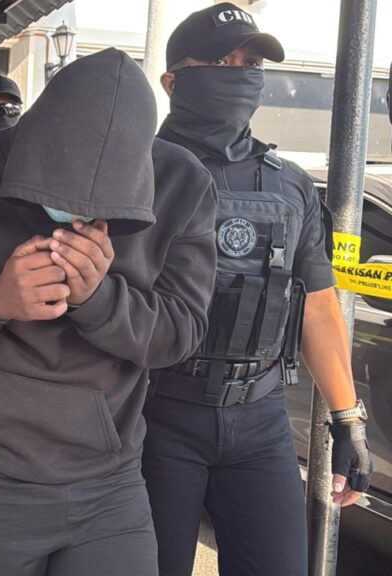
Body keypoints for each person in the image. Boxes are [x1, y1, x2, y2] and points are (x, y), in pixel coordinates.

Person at [0, 48, 218, 576]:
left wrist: (99, 299)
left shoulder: (182, 183)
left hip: (107, 476)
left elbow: (180, 333)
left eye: (101, 212)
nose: (77, 219)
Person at [144, 4, 373, 575]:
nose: (240, 74)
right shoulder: (135, 171)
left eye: (250, 63)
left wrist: (348, 419)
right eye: (221, 62)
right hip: (155, 414)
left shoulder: (289, 184)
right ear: (172, 81)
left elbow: (317, 305)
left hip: (260, 419)